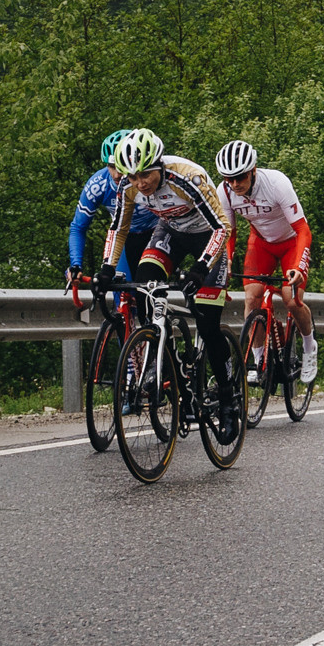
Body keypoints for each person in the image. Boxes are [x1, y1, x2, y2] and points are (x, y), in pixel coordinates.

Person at [115, 130, 239, 426]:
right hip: (170, 232)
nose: (140, 183)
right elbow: (118, 229)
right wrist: (107, 267)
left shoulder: (187, 177)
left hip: (208, 239)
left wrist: (201, 267)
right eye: (133, 178)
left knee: (208, 324)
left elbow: (222, 228)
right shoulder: (127, 186)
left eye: (145, 174)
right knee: (145, 284)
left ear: (159, 165)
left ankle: (227, 395)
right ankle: (164, 365)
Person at [214, 138, 319, 385]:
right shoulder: (225, 192)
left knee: (292, 299)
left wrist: (299, 266)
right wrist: (226, 260)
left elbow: (303, 229)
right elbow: (229, 232)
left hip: (291, 242)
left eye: (240, 177)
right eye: (229, 179)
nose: (235, 184)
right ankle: (258, 360)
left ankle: (309, 346)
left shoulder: (276, 184)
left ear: (253, 170)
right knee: (251, 297)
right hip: (261, 243)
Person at [67, 128, 159, 295]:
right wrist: (75, 265)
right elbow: (78, 227)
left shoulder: (148, 179)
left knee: (147, 292)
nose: (116, 174)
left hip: (156, 232)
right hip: (125, 236)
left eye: (120, 166)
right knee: (121, 295)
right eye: (111, 166)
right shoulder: (97, 185)